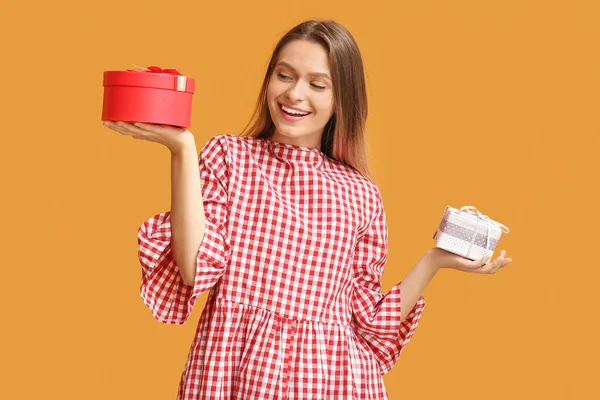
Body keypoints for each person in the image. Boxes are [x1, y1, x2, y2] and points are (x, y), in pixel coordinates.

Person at [103, 19, 512, 400]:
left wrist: (434, 260)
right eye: (284, 75)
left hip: (331, 381)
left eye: (318, 84)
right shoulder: (230, 158)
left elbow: (369, 322)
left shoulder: (361, 194)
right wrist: (182, 148)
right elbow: (194, 267)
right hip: (231, 373)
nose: (294, 94)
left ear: (341, 100)